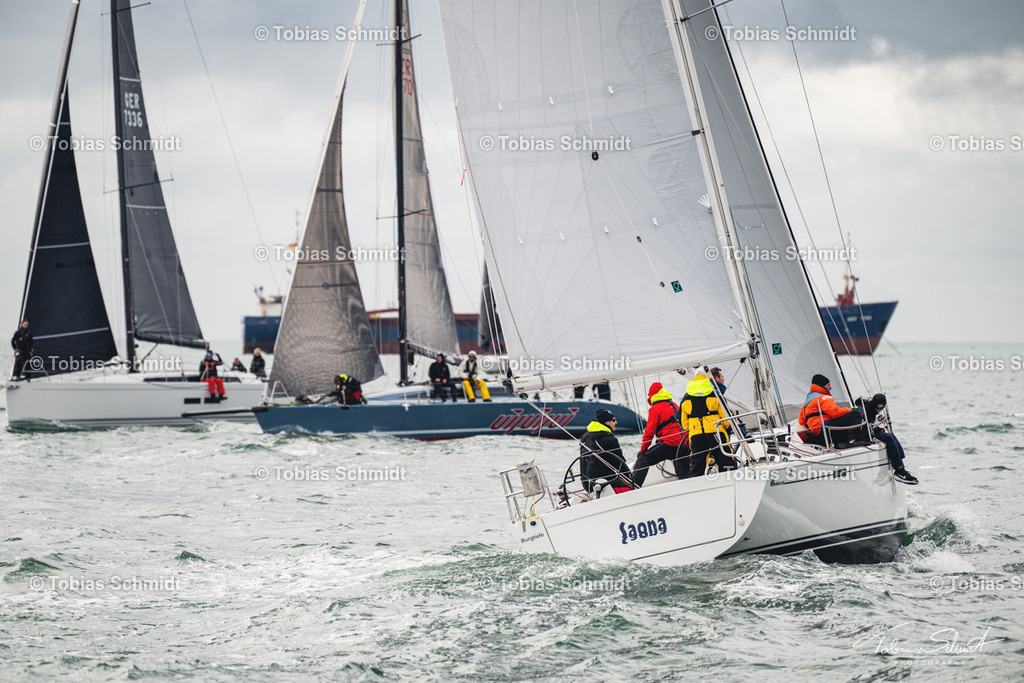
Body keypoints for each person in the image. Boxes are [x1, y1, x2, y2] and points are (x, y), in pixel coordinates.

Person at [632, 382, 689, 486]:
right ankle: (688, 486)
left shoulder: (655, 409)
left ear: (652, 395)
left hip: (670, 444)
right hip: (684, 443)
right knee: (685, 475)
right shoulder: (674, 404)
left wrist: (643, 450)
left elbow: (649, 433)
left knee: (644, 458)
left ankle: (633, 487)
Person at [680, 374, 737, 476]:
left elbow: (684, 424)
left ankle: (696, 484)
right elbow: (726, 418)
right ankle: (730, 478)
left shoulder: (686, 398)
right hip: (715, 432)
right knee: (725, 458)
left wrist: (693, 428)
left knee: (697, 463)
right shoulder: (714, 394)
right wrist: (728, 428)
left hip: (696, 434)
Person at [857, 393, 918, 485]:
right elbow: (863, 429)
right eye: (878, 408)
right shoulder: (866, 410)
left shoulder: (871, 408)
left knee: (891, 436)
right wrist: (875, 431)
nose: (879, 410)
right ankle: (899, 470)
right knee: (888, 438)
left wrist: (877, 429)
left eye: (881, 408)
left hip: (871, 431)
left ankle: (901, 466)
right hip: (864, 435)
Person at [798, 374, 866, 448]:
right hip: (827, 430)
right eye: (828, 385)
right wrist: (849, 410)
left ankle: (839, 444)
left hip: (818, 435)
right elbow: (835, 413)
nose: (830, 387)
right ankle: (853, 441)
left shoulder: (806, 403)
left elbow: (801, 422)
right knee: (855, 414)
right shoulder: (824, 397)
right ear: (822, 386)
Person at [579, 408, 633, 494]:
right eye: (614, 420)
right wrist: (630, 480)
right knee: (632, 488)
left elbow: (583, 462)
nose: (616, 422)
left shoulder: (584, 437)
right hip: (606, 482)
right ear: (607, 423)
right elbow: (620, 463)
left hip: (588, 484)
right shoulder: (609, 439)